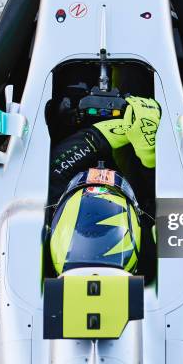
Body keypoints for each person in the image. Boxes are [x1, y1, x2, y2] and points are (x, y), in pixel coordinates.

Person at [46, 96, 161, 277]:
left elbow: (55, 167)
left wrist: (101, 135)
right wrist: (149, 153)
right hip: (139, 186)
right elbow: (179, 199)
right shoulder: (159, 246)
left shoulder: (45, 200)